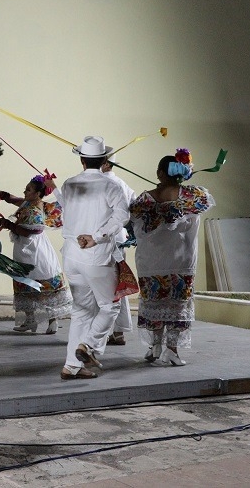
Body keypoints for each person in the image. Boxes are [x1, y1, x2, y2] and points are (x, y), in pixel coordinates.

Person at [47, 135, 129, 380]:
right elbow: (122, 216)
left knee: (82, 312)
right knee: (110, 306)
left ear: (82, 160)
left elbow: (67, 206)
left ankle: (71, 366)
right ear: (104, 160)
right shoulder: (111, 186)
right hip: (96, 256)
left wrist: (54, 188)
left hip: (72, 256)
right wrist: (97, 236)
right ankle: (88, 346)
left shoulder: (70, 184)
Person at [129, 149, 214, 366]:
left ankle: (155, 346)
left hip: (151, 262)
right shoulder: (193, 196)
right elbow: (203, 207)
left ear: (159, 173)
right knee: (178, 305)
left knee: (154, 303)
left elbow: (135, 226)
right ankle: (172, 350)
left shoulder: (144, 201)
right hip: (181, 260)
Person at [0, 175, 73, 335]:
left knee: (43, 282)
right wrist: (4, 195)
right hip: (23, 250)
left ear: (38, 193)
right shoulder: (28, 202)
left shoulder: (38, 208)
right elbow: (15, 200)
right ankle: (30, 320)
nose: (25, 191)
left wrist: (9, 225)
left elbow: (32, 231)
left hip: (37, 251)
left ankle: (53, 320)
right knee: (25, 282)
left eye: (28, 189)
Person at [100, 152, 137, 346]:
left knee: (101, 284)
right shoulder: (122, 184)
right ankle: (119, 330)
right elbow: (135, 206)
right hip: (119, 238)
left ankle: (103, 332)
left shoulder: (98, 183)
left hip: (101, 238)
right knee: (117, 281)